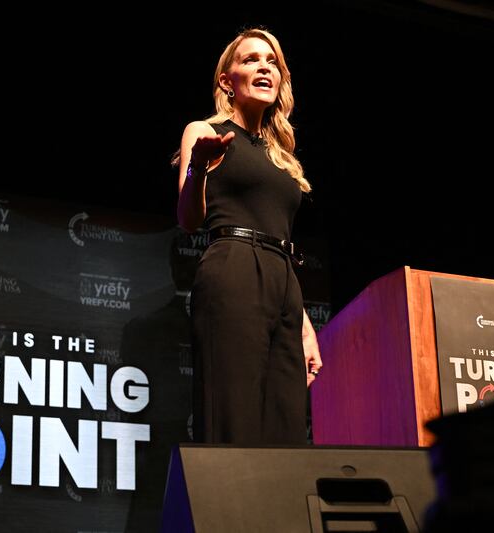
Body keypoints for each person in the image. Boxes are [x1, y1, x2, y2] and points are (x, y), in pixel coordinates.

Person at [175, 27, 322, 445]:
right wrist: (198, 168)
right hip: (234, 267)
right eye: (251, 59)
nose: (264, 66)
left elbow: (279, 233)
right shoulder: (204, 131)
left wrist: (305, 325)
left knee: (286, 424)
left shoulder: (282, 156)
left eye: (272, 61)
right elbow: (188, 219)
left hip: (284, 283)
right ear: (227, 80)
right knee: (234, 413)